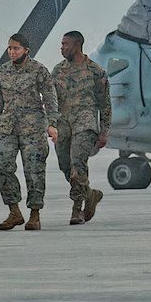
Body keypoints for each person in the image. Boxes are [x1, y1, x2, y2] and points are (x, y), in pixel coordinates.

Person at [0, 33, 58, 231]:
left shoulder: (38, 70)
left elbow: (50, 98)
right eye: (9, 48)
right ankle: (14, 211)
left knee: (34, 171)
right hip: (7, 128)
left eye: (16, 48)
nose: (12, 52)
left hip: (33, 129)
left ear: (26, 50)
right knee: (3, 165)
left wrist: (52, 124)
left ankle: (35, 214)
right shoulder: (3, 72)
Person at [51, 31, 111, 225]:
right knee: (64, 164)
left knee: (78, 162)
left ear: (77, 45)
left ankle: (77, 209)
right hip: (63, 125)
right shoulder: (58, 70)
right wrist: (50, 125)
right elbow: (51, 101)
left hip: (85, 124)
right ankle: (90, 194)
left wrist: (103, 131)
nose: (62, 48)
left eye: (65, 44)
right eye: (61, 44)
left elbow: (105, 104)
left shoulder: (95, 71)